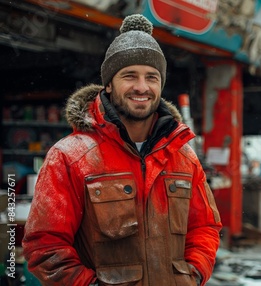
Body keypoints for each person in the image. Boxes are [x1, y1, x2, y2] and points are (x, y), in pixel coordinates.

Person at [22, 14, 222, 286]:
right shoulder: (70, 156)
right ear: (108, 84)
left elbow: (205, 227)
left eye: (151, 77)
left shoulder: (183, 156)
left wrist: (193, 274)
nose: (142, 87)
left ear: (160, 85)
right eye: (129, 76)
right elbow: (44, 245)